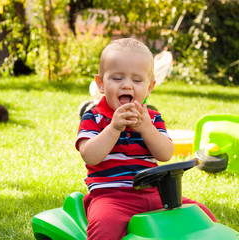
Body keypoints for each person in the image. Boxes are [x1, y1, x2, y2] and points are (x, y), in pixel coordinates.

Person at [75, 38, 217, 240]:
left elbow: (165, 154)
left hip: (155, 194)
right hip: (111, 198)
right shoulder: (94, 117)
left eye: (137, 80)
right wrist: (114, 127)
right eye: (117, 78)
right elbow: (90, 156)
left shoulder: (152, 119)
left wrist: (146, 129)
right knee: (104, 226)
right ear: (101, 84)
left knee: (201, 214)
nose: (127, 85)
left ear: (150, 87)